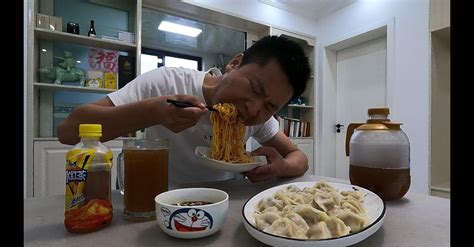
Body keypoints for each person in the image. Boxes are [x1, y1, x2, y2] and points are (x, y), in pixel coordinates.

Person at [58, 35, 311, 184]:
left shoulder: (257, 118)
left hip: (219, 206)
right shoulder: (167, 82)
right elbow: (68, 131)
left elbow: (299, 158)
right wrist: (153, 112)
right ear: (235, 63)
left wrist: (281, 167)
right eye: (255, 89)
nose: (254, 109)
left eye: (270, 105)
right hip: (156, 203)